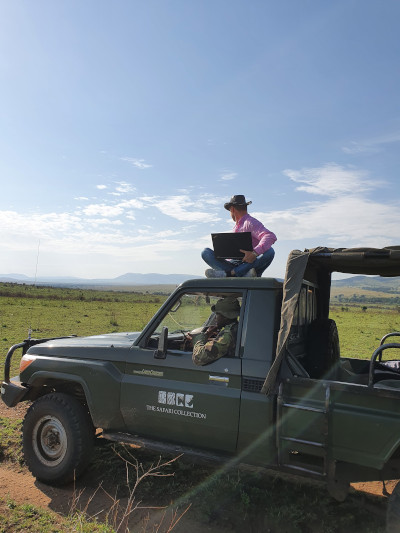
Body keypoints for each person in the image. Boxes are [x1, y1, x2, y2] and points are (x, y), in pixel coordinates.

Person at [202, 194, 277, 278]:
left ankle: (230, 274)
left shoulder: (250, 222)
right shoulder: (235, 228)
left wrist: (254, 253)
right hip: (235, 264)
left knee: (270, 251)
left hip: (249, 263)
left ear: (232, 209)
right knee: (206, 252)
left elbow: (270, 236)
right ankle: (242, 273)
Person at [192, 297, 240, 366]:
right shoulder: (236, 327)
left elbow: (199, 357)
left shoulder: (228, 335)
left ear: (225, 316)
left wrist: (198, 339)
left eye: (217, 314)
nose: (215, 318)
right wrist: (208, 334)